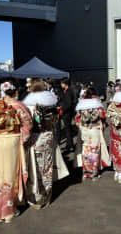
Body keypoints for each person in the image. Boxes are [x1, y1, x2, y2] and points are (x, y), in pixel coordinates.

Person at [0, 80, 33, 223]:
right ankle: (9, 211)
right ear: (14, 91)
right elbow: (28, 123)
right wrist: (23, 138)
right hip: (12, 141)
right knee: (11, 174)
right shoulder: (19, 106)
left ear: (2, 91)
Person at [23, 79, 69, 209]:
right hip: (48, 136)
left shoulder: (28, 105)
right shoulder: (51, 102)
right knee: (47, 167)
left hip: (34, 138)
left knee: (34, 167)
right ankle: (47, 196)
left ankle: (35, 198)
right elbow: (55, 121)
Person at [75, 87, 110, 180]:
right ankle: (94, 172)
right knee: (94, 150)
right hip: (95, 129)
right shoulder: (97, 104)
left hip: (85, 130)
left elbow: (77, 119)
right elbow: (103, 115)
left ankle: (86, 172)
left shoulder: (81, 104)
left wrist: (81, 126)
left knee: (85, 150)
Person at [59, 78, 76, 152]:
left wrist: (62, 110)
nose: (61, 84)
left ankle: (70, 146)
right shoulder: (66, 91)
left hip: (67, 113)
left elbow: (68, 104)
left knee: (68, 130)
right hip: (66, 112)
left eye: (62, 83)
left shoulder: (68, 91)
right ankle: (69, 145)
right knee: (67, 130)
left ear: (65, 83)